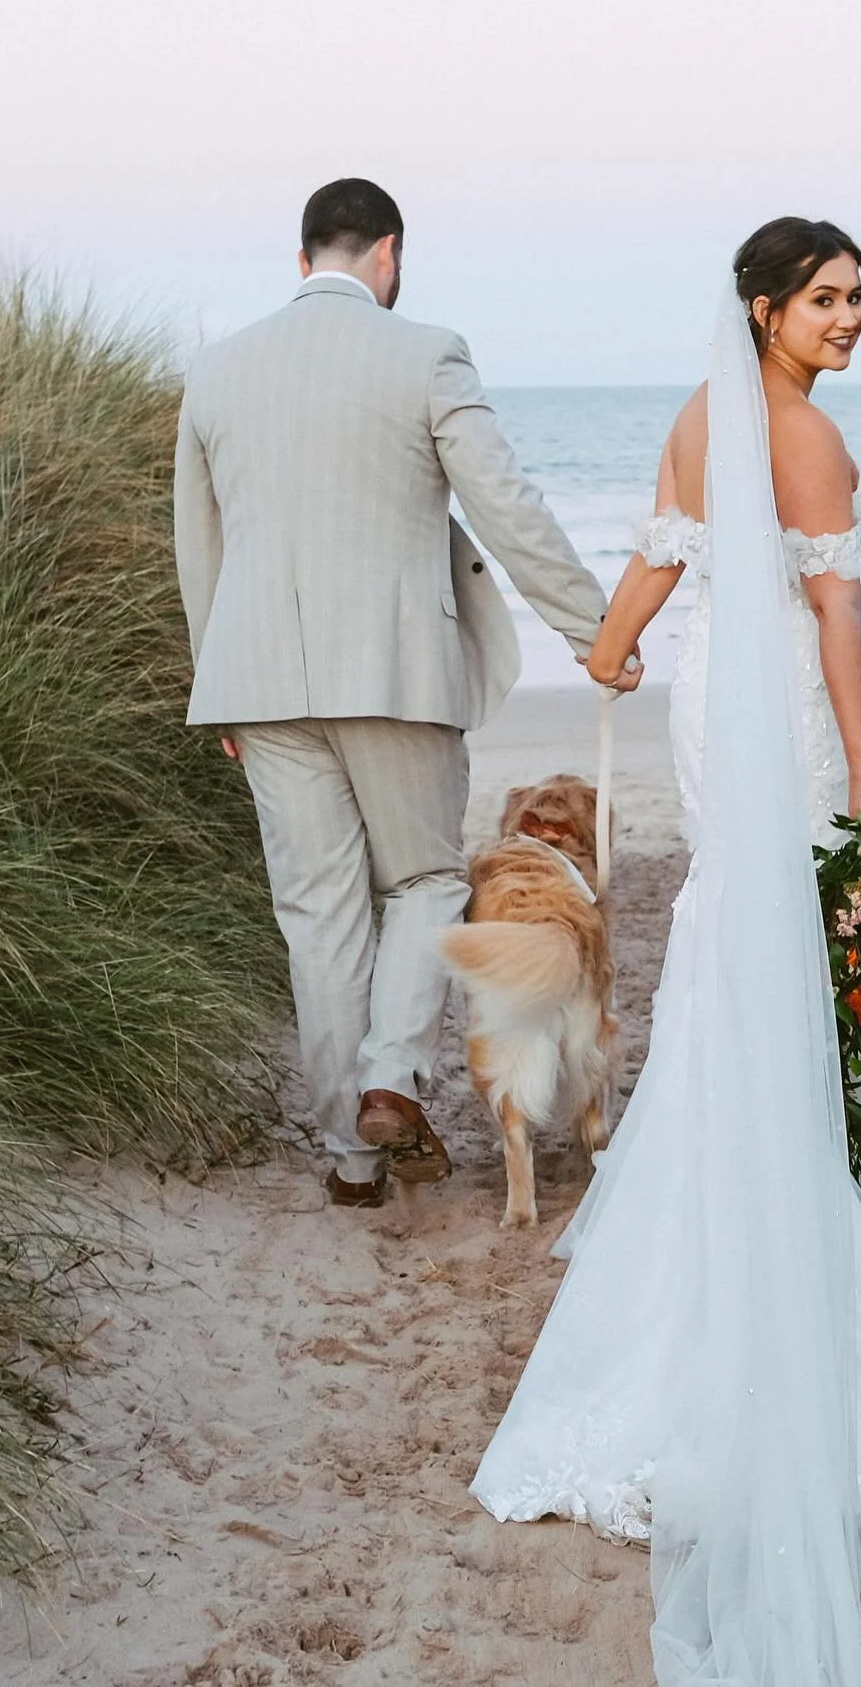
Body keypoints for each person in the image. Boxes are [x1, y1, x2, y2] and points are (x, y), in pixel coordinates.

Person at [471, 220, 861, 1685]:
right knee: (784, 949)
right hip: (788, 719)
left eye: (858, 301)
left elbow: (659, 554)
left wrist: (609, 647)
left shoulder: (704, 418)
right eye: (823, 299)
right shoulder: (807, 441)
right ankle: (794, 1200)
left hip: (710, 702)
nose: (845, 319)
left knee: (727, 933)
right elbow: (837, 607)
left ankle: (722, 1182)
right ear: (762, 306)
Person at [172, 178, 631, 1209]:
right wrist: (592, 628)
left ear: (303, 263)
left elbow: (198, 546)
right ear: (387, 254)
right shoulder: (426, 353)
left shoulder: (217, 371)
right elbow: (503, 503)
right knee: (423, 881)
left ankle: (351, 1155)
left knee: (318, 913)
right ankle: (390, 1076)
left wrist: (221, 685)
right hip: (396, 675)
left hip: (258, 683)